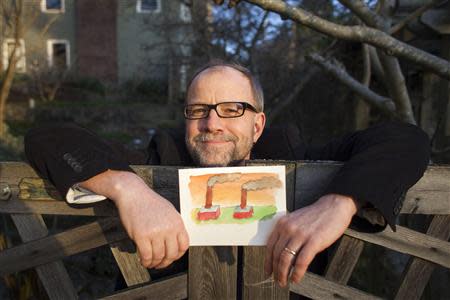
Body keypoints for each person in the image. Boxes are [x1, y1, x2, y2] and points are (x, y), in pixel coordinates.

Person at [24, 60, 430, 288]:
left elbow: (405, 139)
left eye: (232, 109)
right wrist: (127, 187)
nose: (212, 123)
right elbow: (47, 138)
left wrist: (339, 202)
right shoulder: (158, 156)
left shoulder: (296, 156)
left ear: (258, 125)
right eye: (198, 110)